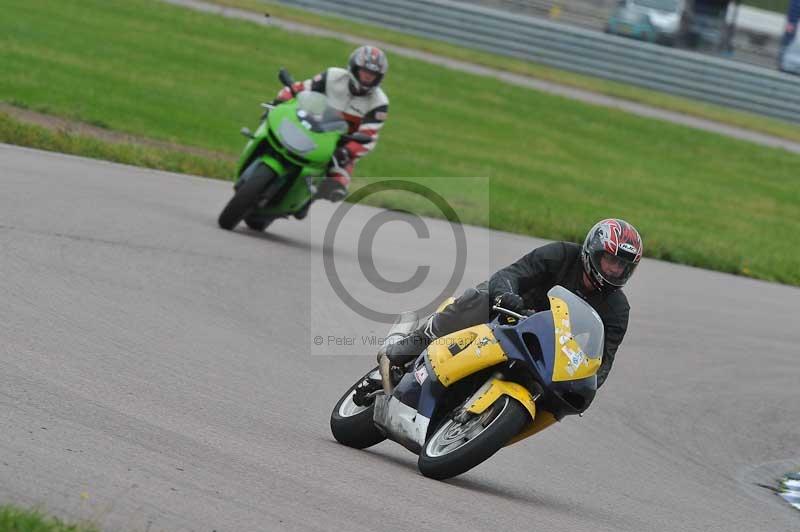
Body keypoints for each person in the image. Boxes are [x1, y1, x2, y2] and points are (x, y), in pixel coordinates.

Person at [385, 218, 643, 388]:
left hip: (546, 349)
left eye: (622, 266)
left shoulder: (618, 310)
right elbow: (510, 274)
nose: (614, 270)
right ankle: (409, 346)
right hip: (508, 313)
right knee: (479, 297)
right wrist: (506, 296)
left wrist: (585, 383)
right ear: (593, 251)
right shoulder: (562, 254)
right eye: (611, 260)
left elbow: (602, 362)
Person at [274, 45, 389, 217]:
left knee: (338, 185)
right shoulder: (333, 76)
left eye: (372, 75)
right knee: (276, 128)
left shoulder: (379, 103)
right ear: (354, 68)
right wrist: (280, 100)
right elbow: (301, 88)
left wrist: (346, 151)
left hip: (340, 144)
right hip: (310, 125)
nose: (367, 77)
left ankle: (308, 199)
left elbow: (369, 136)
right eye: (364, 72)